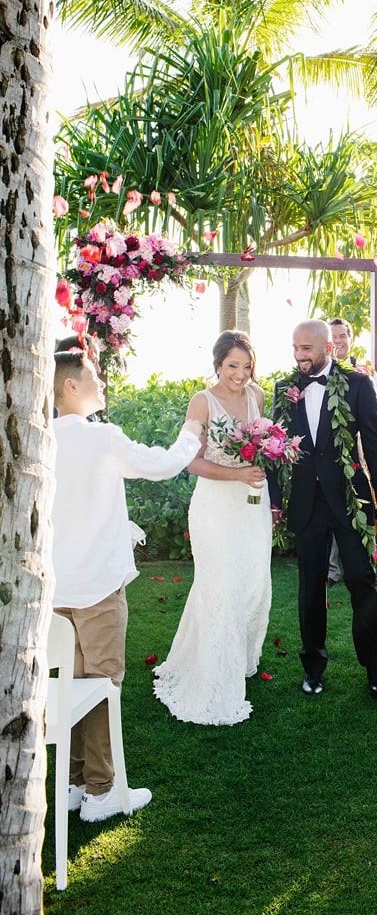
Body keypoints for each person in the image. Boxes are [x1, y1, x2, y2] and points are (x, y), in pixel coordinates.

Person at [52, 350, 202, 821]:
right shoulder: (101, 437)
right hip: (96, 584)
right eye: (92, 374)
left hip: (56, 587)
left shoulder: (39, 438)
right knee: (101, 686)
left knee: (71, 686)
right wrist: (190, 435)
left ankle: (76, 783)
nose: (100, 380)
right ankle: (101, 791)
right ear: (71, 386)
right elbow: (160, 466)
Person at [267, 319, 377, 699]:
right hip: (306, 504)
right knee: (310, 587)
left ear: (328, 348)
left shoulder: (357, 383)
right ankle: (313, 669)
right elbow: (274, 450)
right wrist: (275, 501)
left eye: (306, 348)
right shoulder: (284, 389)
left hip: (350, 499)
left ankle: (375, 667)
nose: (299, 355)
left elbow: (375, 443)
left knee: (361, 580)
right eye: (295, 348)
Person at [153, 330, 275, 725]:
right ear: (217, 365)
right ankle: (212, 677)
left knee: (253, 583)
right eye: (232, 366)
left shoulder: (257, 396)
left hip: (252, 504)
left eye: (246, 366)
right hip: (215, 506)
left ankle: (237, 659)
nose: (239, 374)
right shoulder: (202, 402)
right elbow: (192, 462)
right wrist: (236, 474)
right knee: (220, 586)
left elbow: (263, 445)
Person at [327, 316, 377, 587]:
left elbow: (376, 412)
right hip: (331, 452)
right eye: (332, 336)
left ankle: (366, 566)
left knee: (362, 501)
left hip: (360, 447)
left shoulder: (364, 374)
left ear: (350, 340)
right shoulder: (320, 373)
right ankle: (329, 570)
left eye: (342, 336)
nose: (337, 341)